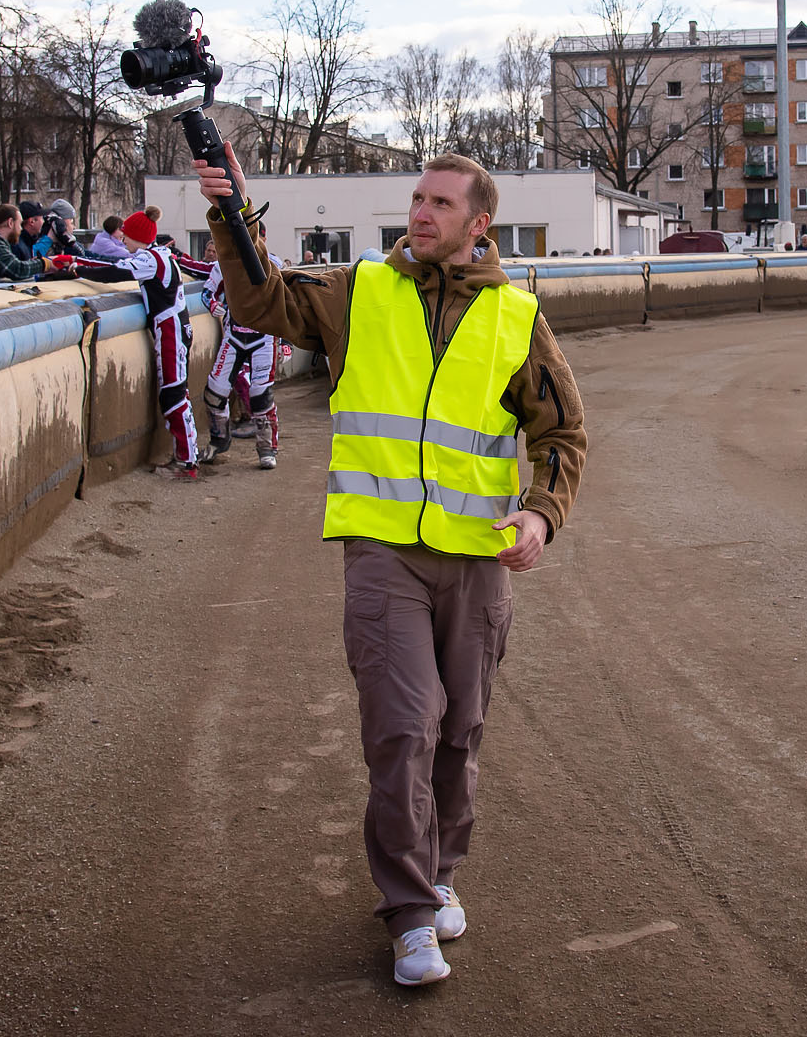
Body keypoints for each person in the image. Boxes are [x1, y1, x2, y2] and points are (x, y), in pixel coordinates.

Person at [196, 149, 585, 988]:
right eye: (416, 198)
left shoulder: (517, 317)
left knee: (458, 729)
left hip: (477, 560)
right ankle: (409, 915)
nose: (421, 213)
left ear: (479, 223)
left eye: (441, 203)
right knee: (402, 727)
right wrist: (233, 213)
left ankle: (443, 871)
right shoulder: (358, 289)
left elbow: (562, 435)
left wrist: (539, 513)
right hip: (382, 554)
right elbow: (261, 299)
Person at [117, 212, 202, 479]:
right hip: (174, 329)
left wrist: (72, 263)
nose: (123, 240)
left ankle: (187, 462)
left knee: (173, 394)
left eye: (126, 235)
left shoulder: (152, 258)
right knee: (176, 393)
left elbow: (113, 270)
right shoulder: (160, 255)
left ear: (138, 237)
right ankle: (188, 457)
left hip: (171, 331)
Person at [203, 252, 281, 471]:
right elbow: (207, 292)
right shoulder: (223, 264)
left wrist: (285, 341)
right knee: (214, 393)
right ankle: (219, 440)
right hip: (234, 335)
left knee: (260, 396)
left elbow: (285, 303)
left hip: (264, 336)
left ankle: (267, 448)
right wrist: (211, 304)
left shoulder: (272, 263)